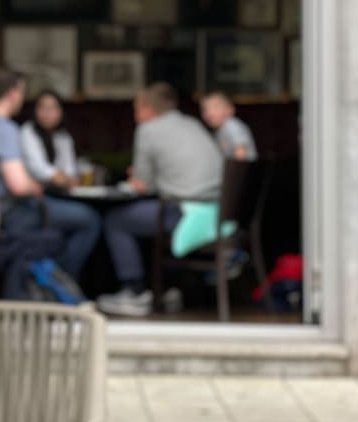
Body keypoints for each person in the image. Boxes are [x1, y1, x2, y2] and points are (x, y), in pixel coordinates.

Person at [0, 69, 101, 299]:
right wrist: (35, 185)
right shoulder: (4, 129)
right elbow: (17, 186)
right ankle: (61, 286)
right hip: (5, 214)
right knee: (89, 220)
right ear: (14, 94)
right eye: (22, 93)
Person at [97, 83, 223, 317]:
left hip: (185, 214)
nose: (135, 117)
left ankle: (134, 292)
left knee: (117, 220)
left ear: (148, 110)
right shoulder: (192, 124)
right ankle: (166, 288)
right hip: (220, 214)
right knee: (147, 217)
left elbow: (143, 186)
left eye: (136, 110)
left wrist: (138, 178)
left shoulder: (148, 130)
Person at [20, 88, 78, 190]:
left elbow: (71, 172)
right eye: (43, 107)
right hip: (34, 193)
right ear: (35, 110)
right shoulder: (28, 131)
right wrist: (59, 178)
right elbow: (37, 168)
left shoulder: (63, 136)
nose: (48, 113)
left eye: (53, 108)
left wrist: (67, 179)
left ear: (60, 111)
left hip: (60, 191)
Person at [201, 91, 258, 160]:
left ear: (230, 110)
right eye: (205, 109)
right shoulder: (217, 130)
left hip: (244, 169)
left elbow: (241, 153)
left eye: (215, 107)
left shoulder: (232, 125)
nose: (210, 113)